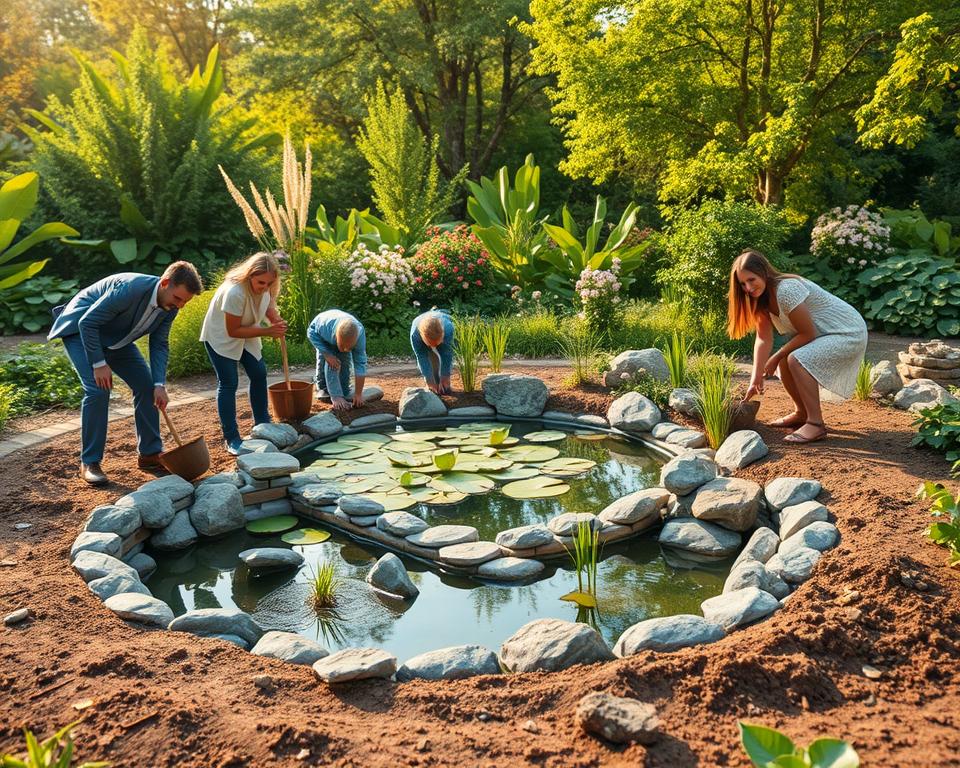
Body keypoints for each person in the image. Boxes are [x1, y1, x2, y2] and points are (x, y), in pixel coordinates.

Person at [48, 262, 203, 485]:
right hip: (82, 333)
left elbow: (159, 343)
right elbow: (87, 322)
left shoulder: (170, 307)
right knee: (98, 390)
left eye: (185, 301)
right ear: (165, 283)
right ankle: (90, 462)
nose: (180, 305)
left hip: (116, 340)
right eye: (178, 298)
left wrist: (159, 383)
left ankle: (150, 455)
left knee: (148, 387)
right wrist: (99, 362)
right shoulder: (129, 289)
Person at [728, 249, 868, 444]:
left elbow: (807, 333)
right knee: (787, 359)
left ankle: (816, 424)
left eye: (751, 279)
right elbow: (763, 339)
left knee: (795, 358)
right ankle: (802, 413)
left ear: (764, 272)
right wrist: (755, 379)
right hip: (824, 334)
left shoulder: (786, 290)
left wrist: (776, 356)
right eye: (743, 284)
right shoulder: (760, 299)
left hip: (847, 331)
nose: (748, 288)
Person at [200, 251, 287, 455]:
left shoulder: (267, 287)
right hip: (221, 337)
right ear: (249, 276)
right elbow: (233, 330)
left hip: (248, 331)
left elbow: (268, 307)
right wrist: (267, 332)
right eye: (260, 283)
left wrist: (276, 321)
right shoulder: (235, 292)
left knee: (259, 373)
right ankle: (231, 438)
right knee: (229, 383)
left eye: (268, 283)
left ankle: (262, 424)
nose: (264, 287)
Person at [307, 309, 367, 411]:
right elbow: (311, 332)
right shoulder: (325, 329)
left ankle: (342, 390)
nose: (345, 350)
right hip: (319, 334)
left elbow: (360, 365)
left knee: (344, 358)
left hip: (338, 332)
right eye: (342, 345)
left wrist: (358, 394)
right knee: (329, 361)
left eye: (349, 347)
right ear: (336, 337)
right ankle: (325, 389)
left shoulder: (359, 337)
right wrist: (327, 354)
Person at [410, 309, 454, 394]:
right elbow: (421, 357)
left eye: (437, 344)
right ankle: (435, 384)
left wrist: (445, 376)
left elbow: (447, 355)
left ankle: (443, 384)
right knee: (432, 365)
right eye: (431, 344)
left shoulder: (448, 328)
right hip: (421, 333)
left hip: (444, 330)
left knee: (444, 352)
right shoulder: (415, 335)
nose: (434, 347)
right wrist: (429, 381)